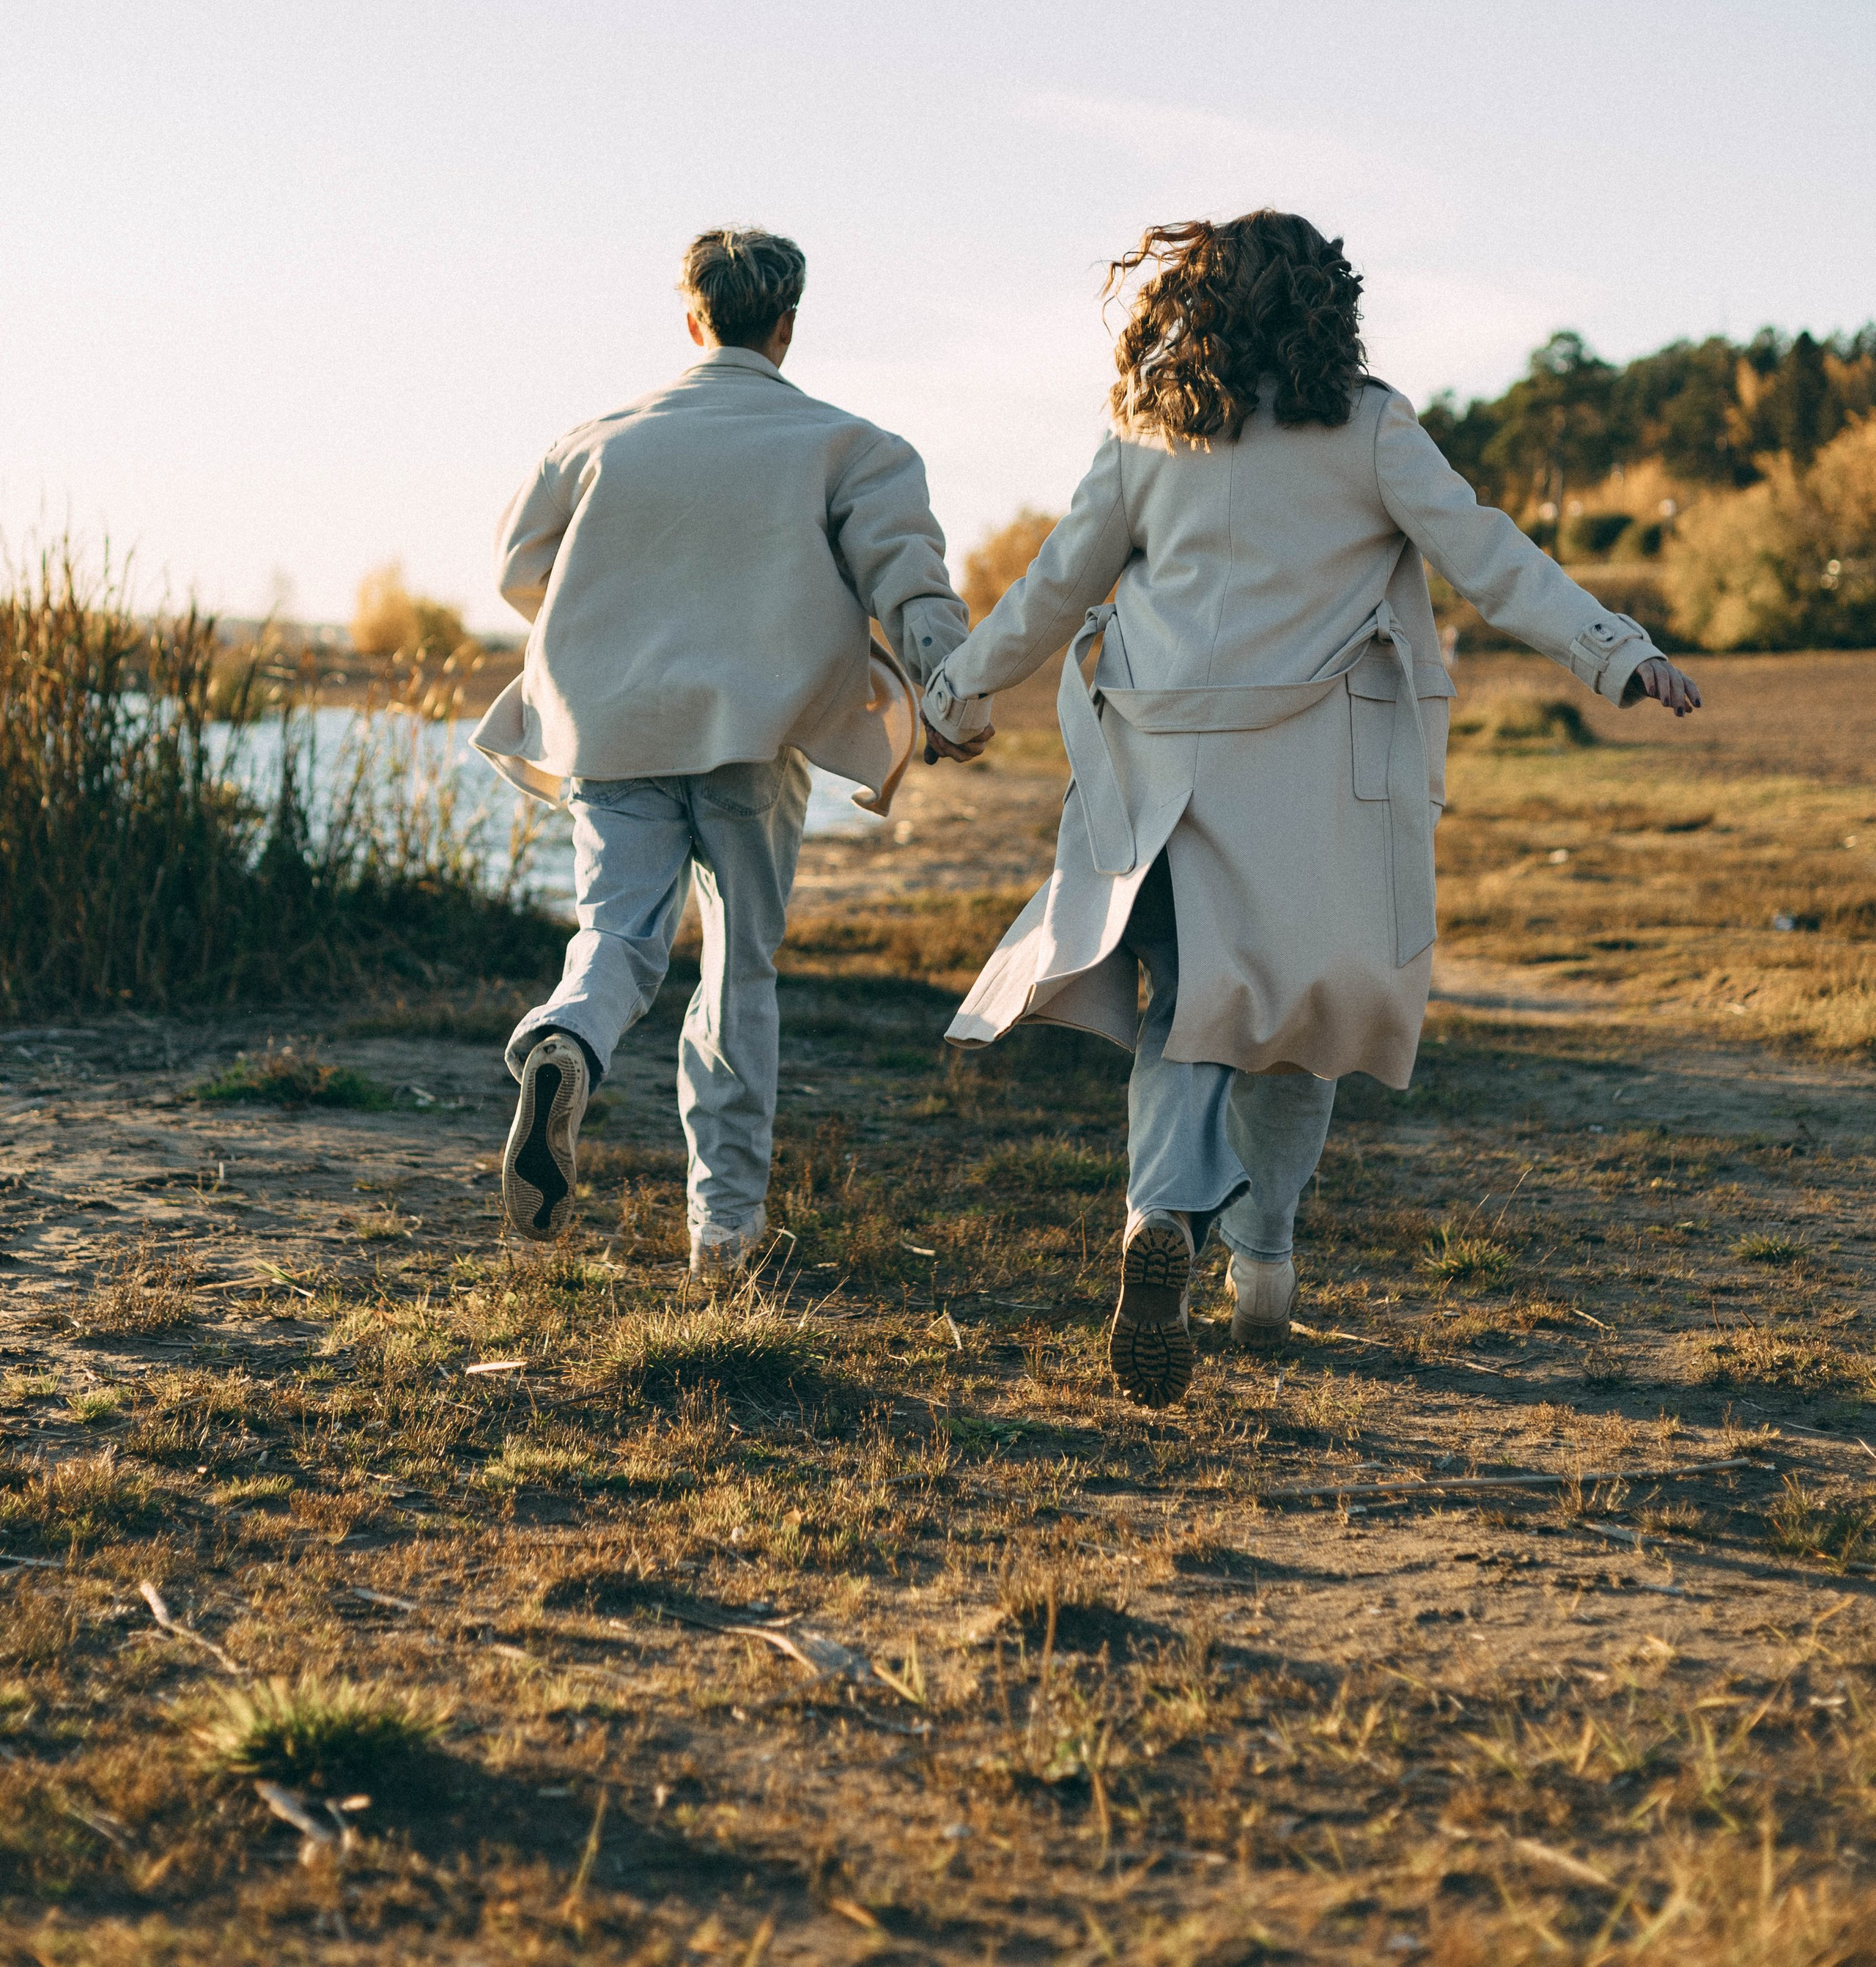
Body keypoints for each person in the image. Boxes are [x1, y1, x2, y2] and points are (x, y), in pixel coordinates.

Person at [920, 212, 1700, 1409]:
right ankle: (1265, 1269)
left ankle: (1160, 1215)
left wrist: (956, 688)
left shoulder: (1145, 436)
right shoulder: (1372, 427)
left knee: (1186, 1008)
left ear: (1201, 306)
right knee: (1307, 1020)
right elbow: (1492, 561)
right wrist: (1616, 651)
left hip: (1167, 774)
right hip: (1315, 780)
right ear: (1330, 306)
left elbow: (1046, 590)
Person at [473, 227, 970, 1277]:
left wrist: (619, 621)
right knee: (740, 970)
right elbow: (910, 586)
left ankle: (569, 1039)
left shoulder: (599, 439)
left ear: (691, 319)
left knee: (614, 938)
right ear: (786, 325)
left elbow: (523, 572)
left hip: (613, 729)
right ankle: (724, 1232)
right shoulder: (849, 445)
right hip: (753, 739)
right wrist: (948, 689)